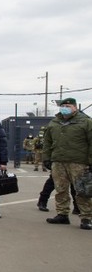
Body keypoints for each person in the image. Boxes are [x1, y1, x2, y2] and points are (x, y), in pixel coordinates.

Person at [42, 97, 92, 230]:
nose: (65, 108)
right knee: (60, 189)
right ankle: (62, 214)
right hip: (58, 161)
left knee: (82, 190)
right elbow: (47, 142)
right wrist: (46, 158)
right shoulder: (54, 123)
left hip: (79, 162)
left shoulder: (86, 122)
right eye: (63, 106)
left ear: (75, 107)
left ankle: (86, 217)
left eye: (68, 106)